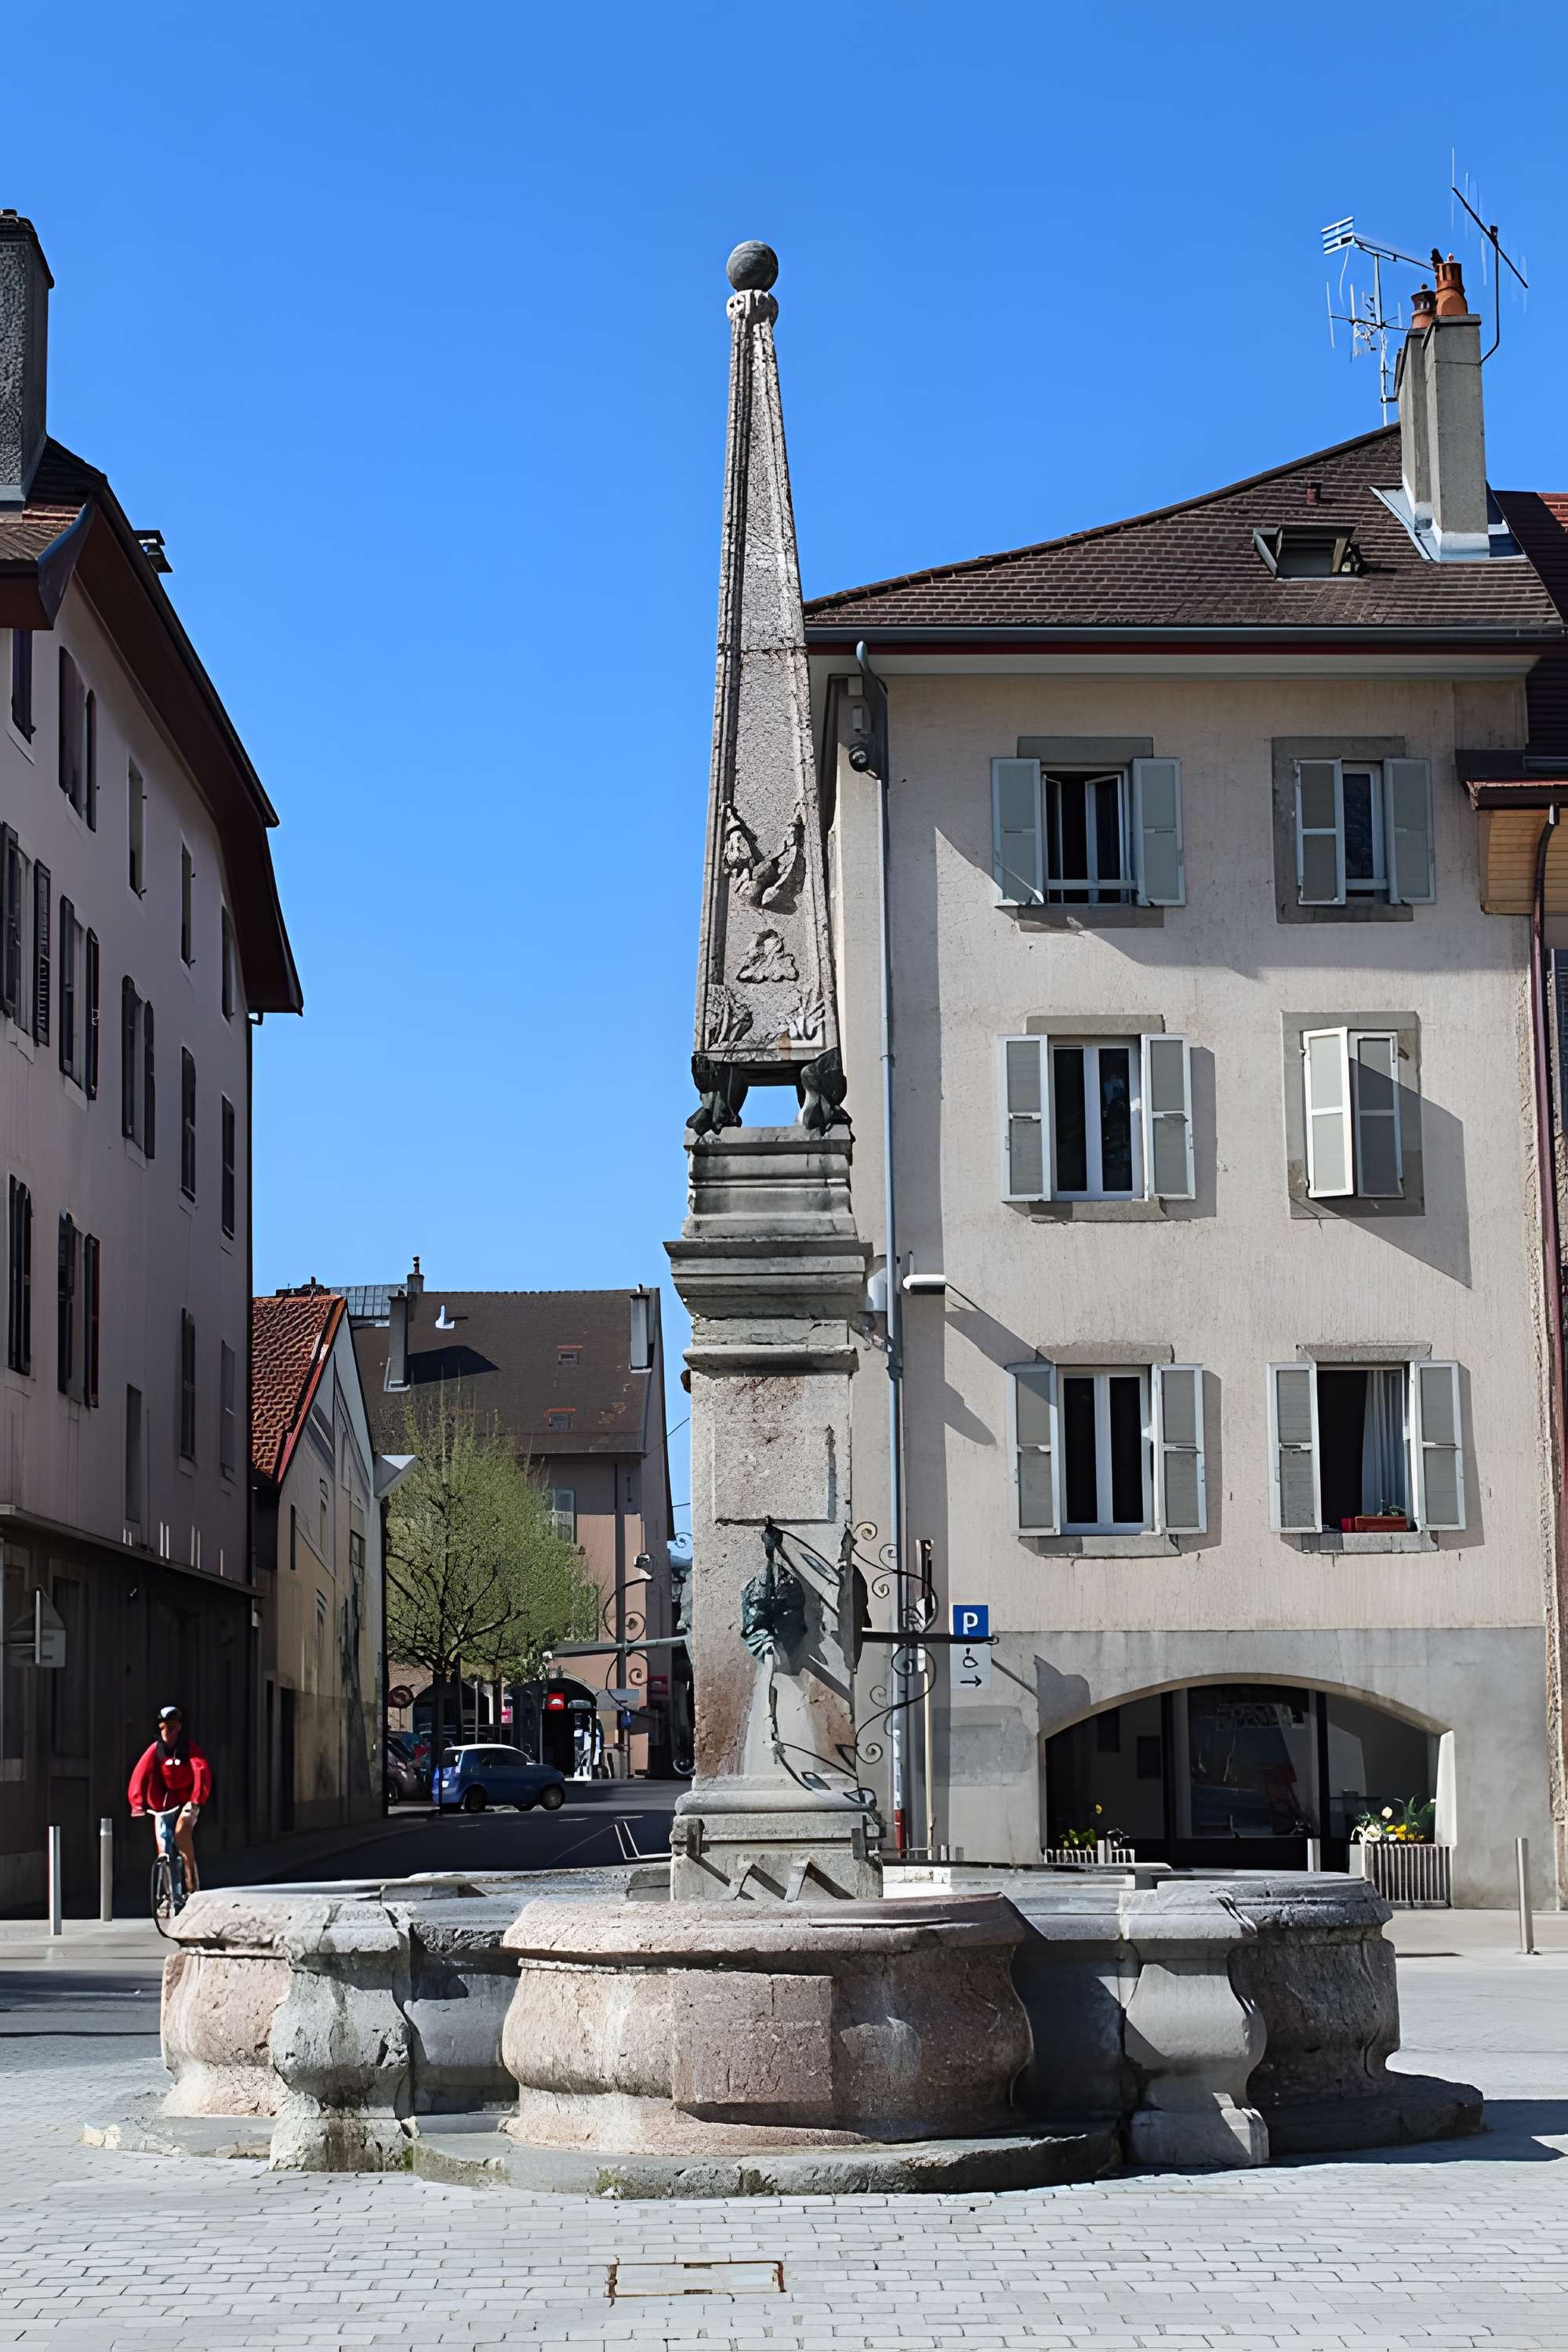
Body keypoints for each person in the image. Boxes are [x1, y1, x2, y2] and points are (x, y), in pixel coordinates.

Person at [128, 1705, 212, 1908]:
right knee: (164, 1847)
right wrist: (137, 1804)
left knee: (182, 1835)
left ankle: (192, 1889)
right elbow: (139, 1774)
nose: (169, 1733)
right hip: (166, 1803)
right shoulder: (156, 1750)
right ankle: (168, 1894)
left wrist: (196, 1801)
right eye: (165, 1728)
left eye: (173, 1728)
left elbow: (201, 1770)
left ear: (179, 1728)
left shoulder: (187, 1748)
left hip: (188, 1800)